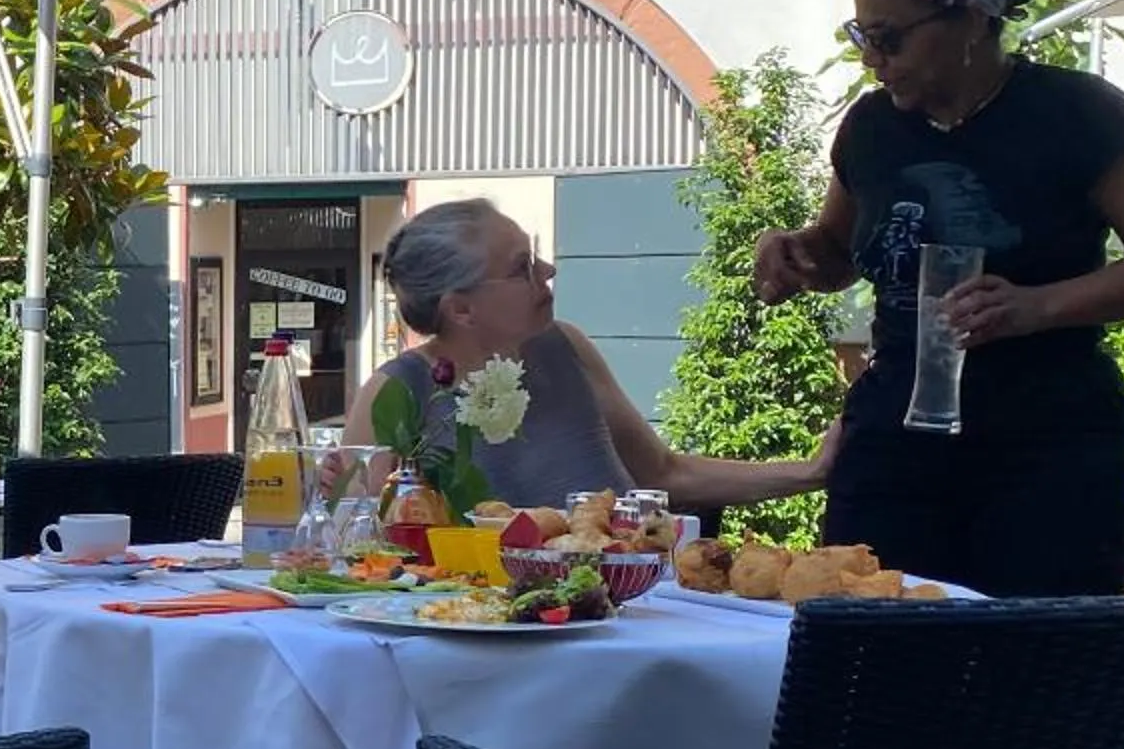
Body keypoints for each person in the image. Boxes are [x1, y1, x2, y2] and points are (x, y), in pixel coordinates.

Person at [756, 0, 1124, 597]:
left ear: (973, 21)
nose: (871, 58)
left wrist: (1038, 306)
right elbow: (841, 254)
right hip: (896, 441)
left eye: (888, 38)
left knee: (1038, 672)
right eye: (861, 35)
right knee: (870, 649)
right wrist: (793, 254)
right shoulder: (873, 125)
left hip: (1048, 447)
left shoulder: (1079, 114)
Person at [345, 198, 832, 513]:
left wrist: (812, 472)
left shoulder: (566, 347)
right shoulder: (397, 393)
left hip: (621, 607)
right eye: (523, 268)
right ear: (462, 309)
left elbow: (662, 474)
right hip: (491, 636)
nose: (549, 270)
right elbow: (357, 541)